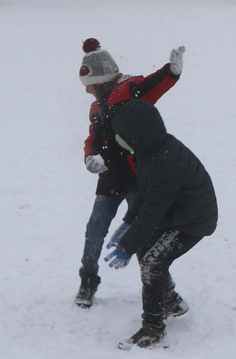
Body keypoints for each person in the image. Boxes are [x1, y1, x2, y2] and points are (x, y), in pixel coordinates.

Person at [75, 38, 184, 309]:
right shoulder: (95, 107)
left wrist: (172, 71)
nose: (86, 91)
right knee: (95, 230)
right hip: (109, 180)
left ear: (100, 80)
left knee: (144, 236)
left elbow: (155, 83)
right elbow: (93, 137)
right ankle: (88, 281)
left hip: (138, 178)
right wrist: (90, 156)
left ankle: (166, 292)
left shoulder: (129, 90)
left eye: (88, 84)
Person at [103, 98, 218, 350]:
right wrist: (128, 224)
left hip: (193, 219)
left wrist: (129, 242)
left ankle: (153, 329)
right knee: (147, 250)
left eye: (123, 135)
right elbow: (146, 195)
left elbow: (154, 210)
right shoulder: (152, 152)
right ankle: (169, 301)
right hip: (176, 212)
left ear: (136, 135)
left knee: (152, 262)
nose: (119, 140)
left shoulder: (163, 162)